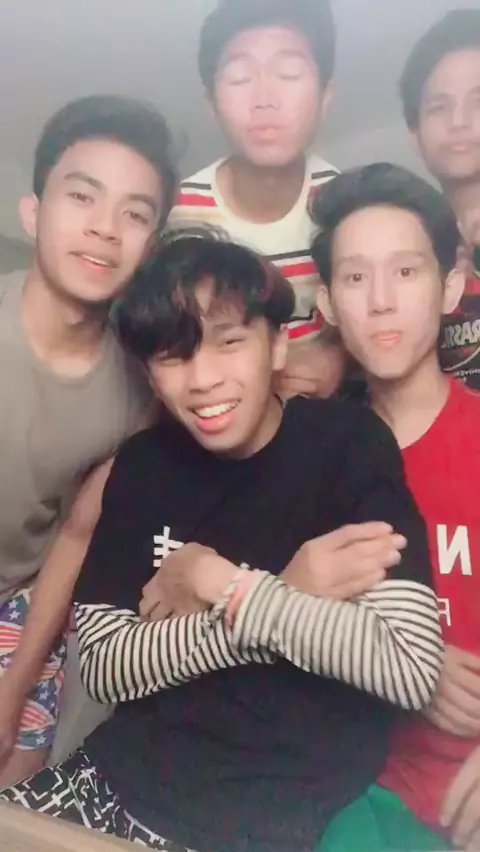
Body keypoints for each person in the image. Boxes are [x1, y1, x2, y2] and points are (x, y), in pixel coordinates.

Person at [0, 233, 443, 852]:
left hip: (276, 822)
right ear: (150, 374)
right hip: (116, 780)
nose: (203, 380)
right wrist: (279, 593)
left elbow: (408, 666)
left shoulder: (347, 444)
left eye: (230, 342)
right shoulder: (145, 466)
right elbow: (103, 664)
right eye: (173, 357)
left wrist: (221, 585)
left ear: (277, 344)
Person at [0, 94, 177, 788]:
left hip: (22, 601)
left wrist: (12, 693)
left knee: (18, 781)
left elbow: (76, 536)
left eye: (134, 214)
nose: (105, 228)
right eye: (82, 196)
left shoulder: (139, 389)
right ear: (32, 212)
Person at [310, 163, 480, 851]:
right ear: (327, 302)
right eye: (355, 278)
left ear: (451, 287)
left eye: (406, 272)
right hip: (343, 791)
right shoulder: (301, 457)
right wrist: (408, 664)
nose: (381, 301)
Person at [169, 0, 345, 400]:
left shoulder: (350, 206)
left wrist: (338, 356)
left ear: (326, 96)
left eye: (289, 73)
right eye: (239, 77)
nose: (265, 99)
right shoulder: (174, 215)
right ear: (211, 104)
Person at [400, 8, 480, 390]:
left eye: (478, 101)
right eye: (439, 107)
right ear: (416, 138)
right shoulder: (407, 249)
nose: (459, 121)